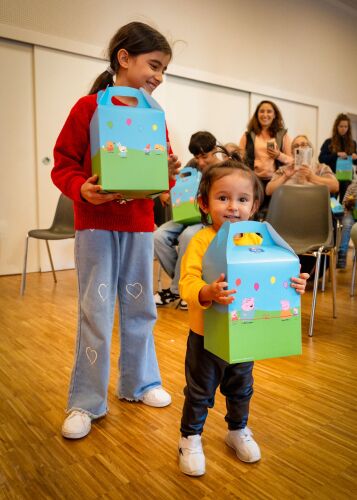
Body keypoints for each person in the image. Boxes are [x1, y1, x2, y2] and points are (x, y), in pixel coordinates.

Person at [51, 22, 181, 440]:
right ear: (123, 58)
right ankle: (86, 401)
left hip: (140, 226)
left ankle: (140, 383)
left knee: (142, 308)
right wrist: (82, 190)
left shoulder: (153, 116)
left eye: (164, 70)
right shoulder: (87, 108)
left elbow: (160, 180)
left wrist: (168, 176)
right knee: (96, 313)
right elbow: (63, 165)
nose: (159, 76)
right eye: (154, 65)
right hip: (96, 228)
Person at [177, 153, 309, 476]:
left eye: (242, 199)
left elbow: (272, 276)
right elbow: (187, 283)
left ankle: (237, 429)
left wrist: (294, 284)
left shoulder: (257, 241)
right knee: (199, 391)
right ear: (205, 204)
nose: (233, 207)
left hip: (245, 334)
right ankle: (189, 437)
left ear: (253, 206)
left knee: (241, 387)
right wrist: (206, 292)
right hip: (205, 337)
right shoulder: (201, 240)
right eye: (223, 198)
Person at [154, 131, 219, 310]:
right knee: (157, 236)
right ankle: (186, 284)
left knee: (188, 236)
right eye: (196, 157)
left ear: (215, 149)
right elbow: (178, 188)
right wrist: (167, 194)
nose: (200, 162)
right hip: (186, 216)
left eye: (204, 156)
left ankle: (176, 290)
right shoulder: (192, 165)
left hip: (207, 219)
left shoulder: (222, 169)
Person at [239, 100, 292, 217]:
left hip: (276, 181)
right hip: (253, 181)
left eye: (269, 111)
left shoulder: (283, 135)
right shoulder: (247, 135)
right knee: (252, 213)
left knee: (275, 215)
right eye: (261, 111)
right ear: (257, 115)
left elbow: (292, 160)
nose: (265, 114)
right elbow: (240, 159)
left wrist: (279, 155)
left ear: (274, 115)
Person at [266, 135, 339, 195]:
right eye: (296, 146)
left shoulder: (321, 167)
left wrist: (312, 177)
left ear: (310, 148)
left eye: (303, 145)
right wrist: (285, 176)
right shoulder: (284, 170)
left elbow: (335, 187)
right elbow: (268, 191)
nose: (300, 148)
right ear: (292, 152)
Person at [318, 113, 357, 201]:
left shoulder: (353, 143)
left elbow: (355, 162)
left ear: (348, 128)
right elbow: (321, 159)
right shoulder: (329, 142)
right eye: (341, 126)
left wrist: (355, 158)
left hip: (347, 179)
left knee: (345, 204)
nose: (343, 129)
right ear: (336, 127)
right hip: (332, 178)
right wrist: (336, 155)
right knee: (332, 204)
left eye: (346, 126)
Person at [337, 180, 357, 269]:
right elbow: (344, 203)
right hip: (351, 212)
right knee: (347, 223)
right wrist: (349, 203)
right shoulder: (352, 187)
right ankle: (342, 254)